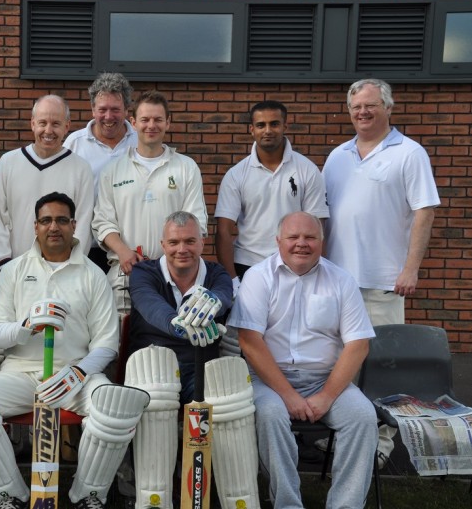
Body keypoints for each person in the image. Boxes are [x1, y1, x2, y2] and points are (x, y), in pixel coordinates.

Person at [0, 192, 149, 509]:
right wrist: (25, 326)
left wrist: (77, 373)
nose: (54, 227)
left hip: (76, 377)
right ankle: (10, 495)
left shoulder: (92, 275)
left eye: (62, 220)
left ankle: (87, 495)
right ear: (35, 226)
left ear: (74, 226)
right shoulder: (14, 271)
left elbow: (106, 343)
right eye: (46, 220)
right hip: (20, 376)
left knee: (114, 406)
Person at [322, 78, 440, 464]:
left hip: (385, 282)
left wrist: (411, 268)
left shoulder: (409, 153)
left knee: (381, 366)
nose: (363, 112)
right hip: (339, 281)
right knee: (341, 364)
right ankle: (344, 436)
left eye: (371, 105)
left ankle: (381, 444)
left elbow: (424, 211)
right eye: (356, 107)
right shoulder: (338, 155)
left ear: (389, 108)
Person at [229, 211, 378, 509]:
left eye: (310, 237)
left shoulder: (341, 280)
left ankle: (346, 505)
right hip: (268, 381)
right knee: (271, 417)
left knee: (363, 417)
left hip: (326, 379)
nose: (301, 244)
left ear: (322, 242)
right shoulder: (258, 277)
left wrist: (326, 396)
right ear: (278, 241)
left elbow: (358, 345)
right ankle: (287, 503)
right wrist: (288, 395)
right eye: (293, 237)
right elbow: (250, 342)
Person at [124, 210, 239, 508]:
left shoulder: (216, 274)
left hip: (199, 366)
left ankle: (227, 496)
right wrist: (181, 325)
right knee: (157, 404)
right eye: (174, 242)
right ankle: (154, 499)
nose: (182, 249)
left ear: (202, 242)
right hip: (152, 363)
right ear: (163, 244)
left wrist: (216, 302)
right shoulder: (144, 272)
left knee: (229, 409)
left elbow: (225, 293)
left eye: (190, 241)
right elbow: (150, 307)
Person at [93, 90, 208, 314]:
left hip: (176, 275)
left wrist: (173, 258)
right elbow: (102, 222)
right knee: (121, 344)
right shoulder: (113, 170)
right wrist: (123, 251)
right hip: (125, 274)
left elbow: (197, 223)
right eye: (145, 119)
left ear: (168, 123)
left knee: (171, 341)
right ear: (133, 123)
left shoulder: (186, 167)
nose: (151, 125)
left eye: (158, 119)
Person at [215, 100, 328, 296]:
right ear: (252, 129)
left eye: (274, 124)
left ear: (285, 126)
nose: (268, 130)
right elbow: (223, 231)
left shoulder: (307, 170)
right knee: (250, 327)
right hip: (247, 266)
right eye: (261, 125)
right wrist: (232, 281)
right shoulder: (236, 174)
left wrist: (315, 273)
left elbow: (318, 227)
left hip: (293, 265)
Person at [0, 94, 94, 270]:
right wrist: (3, 263)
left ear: (67, 126)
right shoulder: (8, 162)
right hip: (17, 269)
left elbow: (83, 222)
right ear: (33, 124)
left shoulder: (80, 168)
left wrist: (72, 267)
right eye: (43, 123)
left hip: (63, 271)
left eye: (56, 124)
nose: (48, 130)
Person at [64, 72, 138, 271]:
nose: (108, 116)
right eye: (102, 109)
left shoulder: (140, 142)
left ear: (126, 110)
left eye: (115, 109)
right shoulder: (74, 144)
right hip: (86, 248)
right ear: (92, 109)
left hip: (132, 250)